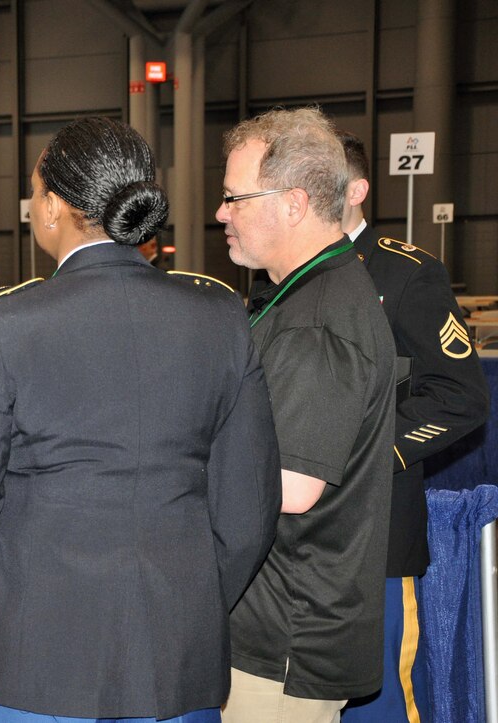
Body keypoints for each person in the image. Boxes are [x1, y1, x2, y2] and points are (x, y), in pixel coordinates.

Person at [0, 117, 282, 723]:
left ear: (54, 207)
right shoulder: (220, 315)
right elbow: (249, 510)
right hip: (177, 658)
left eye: (35, 192)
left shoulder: (7, 322)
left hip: (34, 663)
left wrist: (25, 590)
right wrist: (187, 595)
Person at [216, 107, 396, 723]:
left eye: (235, 198)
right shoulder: (306, 295)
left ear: (293, 203)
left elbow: (291, 486)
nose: (222, 213)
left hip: (285, 638)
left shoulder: (317, 317)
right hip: (276, 625)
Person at [336, 131, 489, 723]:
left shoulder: (406, 275)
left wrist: (371, 455)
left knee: (378, 699)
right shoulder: (281, 278)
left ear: (355, 190)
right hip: (301, 542)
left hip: (377, 530)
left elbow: (460, 398)